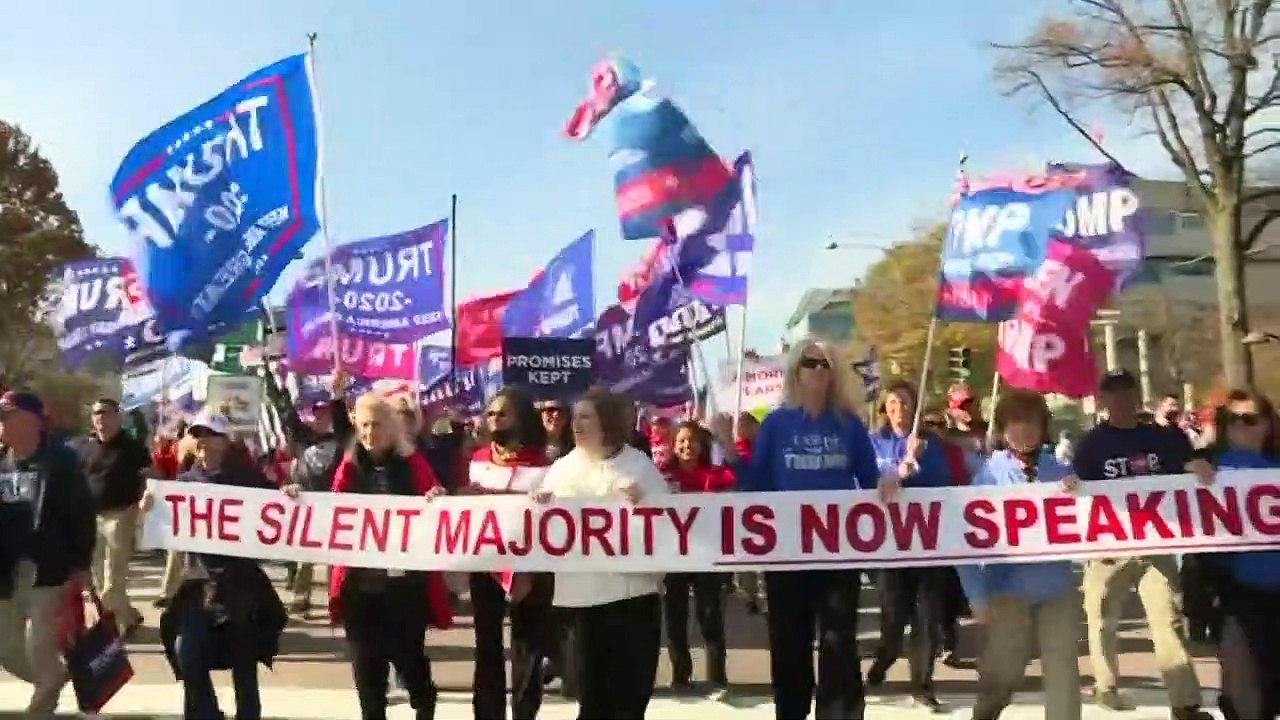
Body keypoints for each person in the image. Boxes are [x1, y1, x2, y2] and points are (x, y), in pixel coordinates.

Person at [712, 337, 880, 720]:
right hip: (786, 553)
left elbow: (870, 480)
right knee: (789, 643)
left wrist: (890, 481)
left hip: (838, 553)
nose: (818, 370)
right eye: (810, 362)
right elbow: (758, 484)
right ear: (795, 371)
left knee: (839, 642)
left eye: (825, 364)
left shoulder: (850, 425)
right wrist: (730, 450)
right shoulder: (776, 424)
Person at [302, 392, 454, 720]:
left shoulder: (412, 463)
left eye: (377, 425)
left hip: (404, 588)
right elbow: (327, 502)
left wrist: (436, 497)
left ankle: (424, 704)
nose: (370, 432)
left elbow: (433, 498)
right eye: (364, 425)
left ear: (391, 428)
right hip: (360, 588)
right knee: (367, 671)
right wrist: (294, 498)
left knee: (410, 662)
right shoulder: (348, 464)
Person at [1073, 369, 1212, 720]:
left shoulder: (1163, 438)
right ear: (1103, 400)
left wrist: (1197, 465)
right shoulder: (1091, 445)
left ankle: (1185, 702)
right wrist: (1070, 487)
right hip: (1108, 548)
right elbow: (1077, 491)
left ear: (1137, 396)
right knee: (1101, 621)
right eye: (1113, 393)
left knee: (1167, 620)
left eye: (1126, 391)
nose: (1121, 399)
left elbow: (1187, 470)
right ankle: (1106, 687)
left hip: (1156, 546)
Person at [534, 387, 668, 720]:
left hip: (633, 598)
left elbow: (671, 526)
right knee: (591, 700)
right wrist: (540, 506)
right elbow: (543, 528)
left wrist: (647, 503)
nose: (576, 425)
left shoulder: (639, 467)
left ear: (606, 422)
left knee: (629, 701)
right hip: (582, 603)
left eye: (585, 417)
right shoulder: (562, 470)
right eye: (575, 417)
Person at [151, 409, 286, 720]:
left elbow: (276, 506)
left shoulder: (246, 479)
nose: (203, 442)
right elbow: (166, 519)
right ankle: (207, 712)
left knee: (244, 661)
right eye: (198, 435)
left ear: (224, 441)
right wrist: (151, 507)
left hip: (240, 584)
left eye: (210, 435)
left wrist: (286, 495)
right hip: (198, 585)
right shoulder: (183, 483)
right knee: (187, 652)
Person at [959, 388, 1082, 720]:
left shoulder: (1061, 471)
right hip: (1007, 592)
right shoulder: (987, 476)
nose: (1024, 430)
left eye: (1032, 422)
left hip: (1056, 589)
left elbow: (1091, 520)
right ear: (1003, 428)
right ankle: (985, 713)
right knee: (1004, 673)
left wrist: (1080, 495)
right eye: (1015, 422)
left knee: (1063, 669)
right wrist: (976, 596)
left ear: (1043, 427)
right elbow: (961, 542)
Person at [1181, 389, 1280, 719]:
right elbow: (1169, 499)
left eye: (1250, 419)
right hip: (1237, 596)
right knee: (1245, 696)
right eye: (1232, 420)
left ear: (1268, 423)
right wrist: (1189, 470)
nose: (1241, 426)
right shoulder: (1209, 466)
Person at [0, 391, 96, 719]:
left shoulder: (61, 461)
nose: (3, 425)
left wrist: (80, 566)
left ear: (34, 421)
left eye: (9, 417)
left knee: (39, 642)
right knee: (6, 646)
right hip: (8, 568)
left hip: (49, 567)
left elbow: (82, 516)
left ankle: (41, 707)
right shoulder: (2, 462)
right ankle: (55, 677)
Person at [463, 388, 554, 720]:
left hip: (532, 569)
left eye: (503, 413)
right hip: (485, 566)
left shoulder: (545, 466)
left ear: (522, 419)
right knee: (486, 644)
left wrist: (529, 570)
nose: (495, 419)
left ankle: (525, 714)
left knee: (527, 647)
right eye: (490, 414)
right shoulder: (475, 462)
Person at [867, 380, 949, 712]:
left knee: (926, 619)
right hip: (887, 544)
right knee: (893, 617)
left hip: (926, 542)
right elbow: (869, 482)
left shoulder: (931, 444)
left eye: (904, 402)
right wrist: (901, 467)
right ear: (884, 409)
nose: (898, 408)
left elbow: (940, 481)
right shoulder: (873, 442)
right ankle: (884, 658)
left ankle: (922, 685)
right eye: (892, 402)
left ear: (914, 407)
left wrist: (918, 460)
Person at [662, 421, 734, 694]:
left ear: (702, 446)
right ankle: (681, 676)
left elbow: (734, 490)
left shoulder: (716, 475)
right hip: (673, 556)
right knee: (675, 617)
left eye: (692, 440)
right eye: (681, 441)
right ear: (673, 446)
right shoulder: (663, 477)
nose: (686, 446)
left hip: (707, 555)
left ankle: (717, 677)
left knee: (710, 615)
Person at [81, 397, 152, 635]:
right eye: (96, 413)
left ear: (118, 416)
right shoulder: (86, 447)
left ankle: (110, 626)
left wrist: (145, 498)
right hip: (91, 517)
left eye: (106, 413)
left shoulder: (133, 448)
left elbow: (150, 476)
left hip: (121, 514)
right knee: (98, 575)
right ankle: (128, 616)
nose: (101, 418)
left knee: (114, 575)